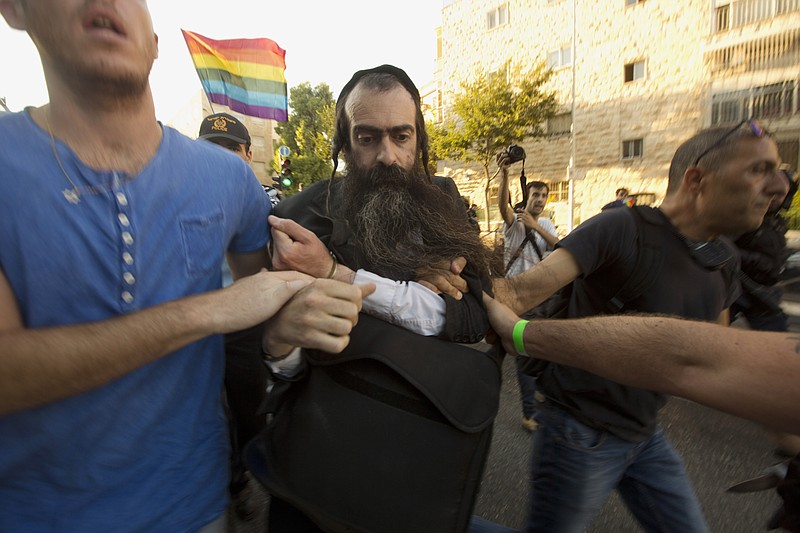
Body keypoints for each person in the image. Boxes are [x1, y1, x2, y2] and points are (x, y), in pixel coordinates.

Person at [0, 2, 372, 531]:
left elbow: (268, 311)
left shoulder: (229, 179)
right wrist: (207, 312)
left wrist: (317, 307)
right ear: (16, 10)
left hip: (195, 509)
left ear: (154, 42)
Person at [492, 119, 788, 532]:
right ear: (697, 179)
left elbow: (720, 358)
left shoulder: (724, 259)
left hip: (646, 437)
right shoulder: (620, 228)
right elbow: (517, 295)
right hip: (579, 433)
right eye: (760, 170)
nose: (780, 187)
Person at [251, 64, 494, 532]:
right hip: (321, 456)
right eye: (368, 138)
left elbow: (470, 316)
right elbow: (276, 354)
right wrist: (280, 342)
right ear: (343, 143)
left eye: (401, 137)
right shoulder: (301, 219)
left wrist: (337, 274)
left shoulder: (443, 203)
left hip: (423, 447)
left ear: (419, 140)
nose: (387, 155)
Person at [197, 111, 265, 521]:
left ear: (249, 154)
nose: (222, 157)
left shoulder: (262, 200)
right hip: (196, 324)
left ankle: (244, 472)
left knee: (249, 410)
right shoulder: (178, 195)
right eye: (212, 148)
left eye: (231, 149)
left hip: (244, 325)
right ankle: (225, 483)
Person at [496, 158, 558, 432]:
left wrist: (537, 226)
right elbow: (502, 207)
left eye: (544, 195)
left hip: (540, 297)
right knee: (524, 353)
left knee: (538, 348)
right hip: (515, 297)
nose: (541, 199)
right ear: (527, 196)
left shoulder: (544, 222)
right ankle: (529, 412)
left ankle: (538, 389)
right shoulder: (515, 222)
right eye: (536, 194)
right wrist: (505, 174)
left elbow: (560, 247)